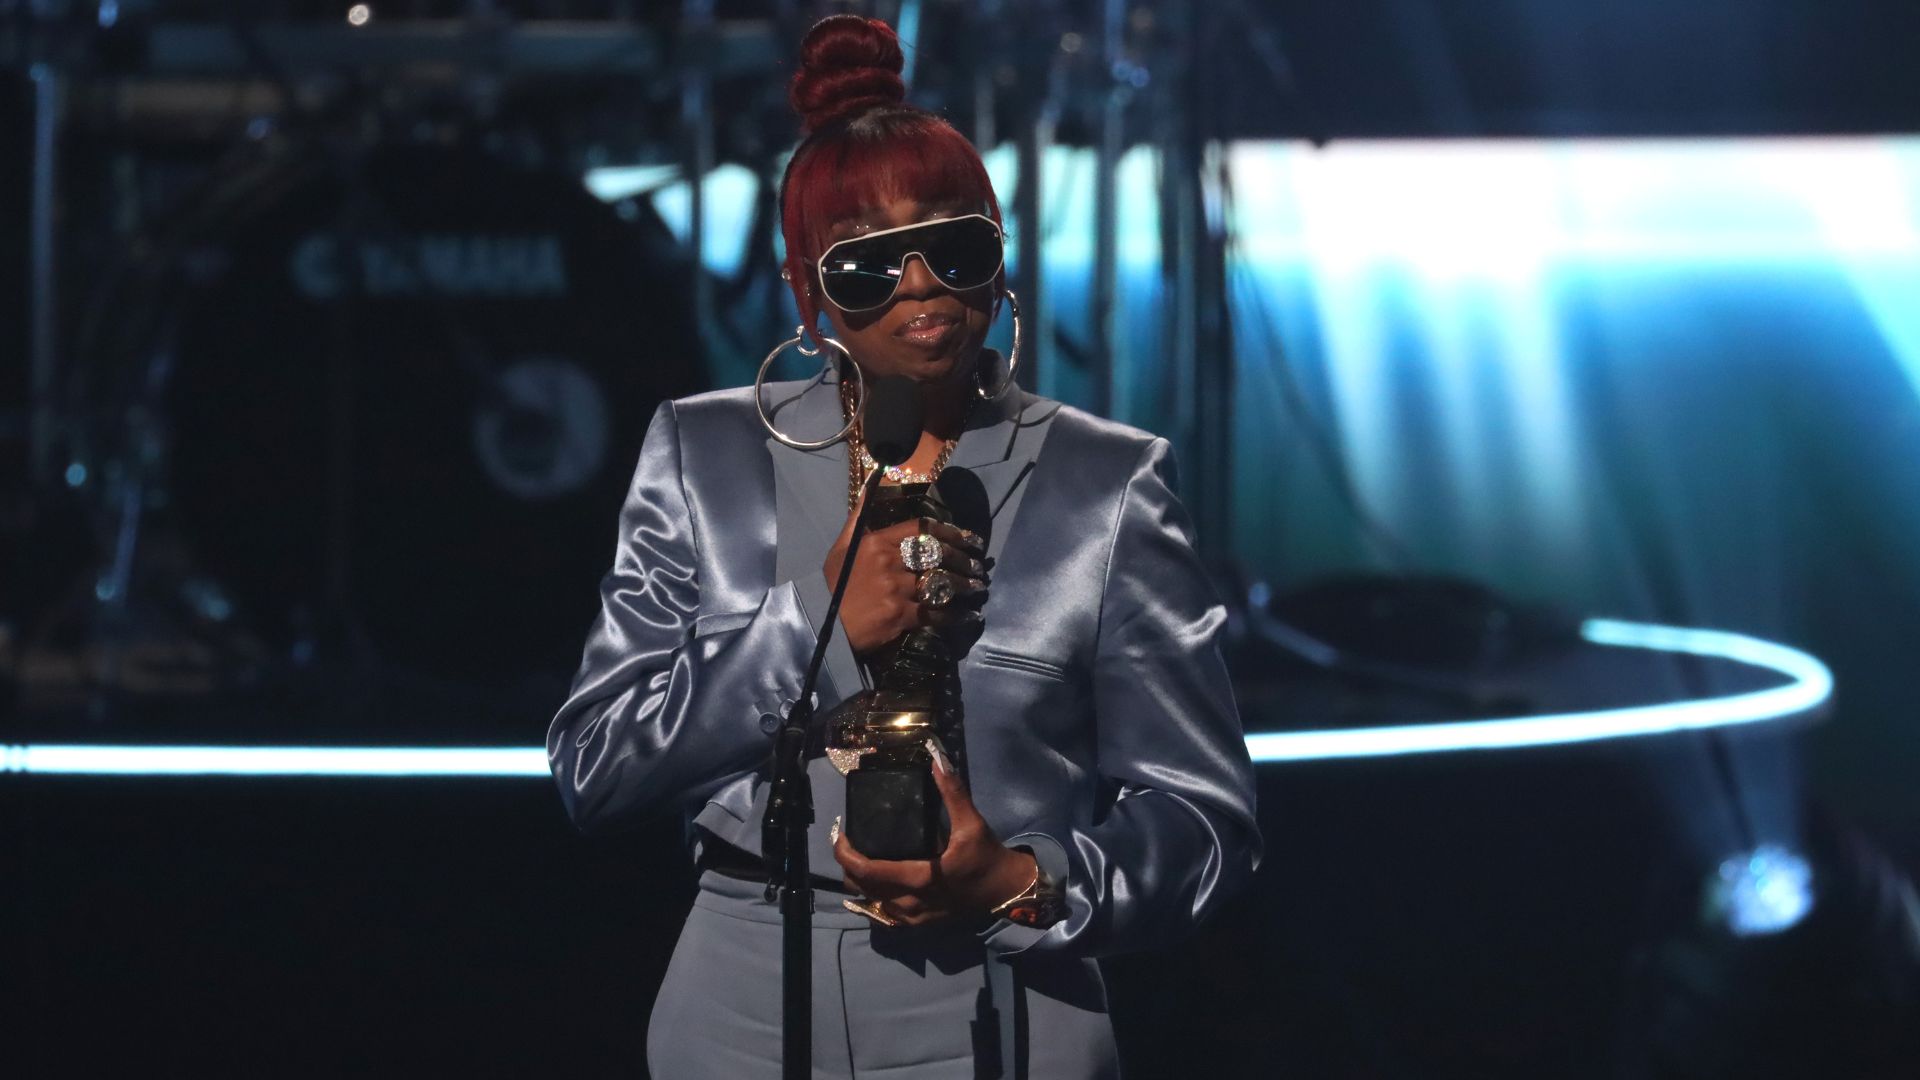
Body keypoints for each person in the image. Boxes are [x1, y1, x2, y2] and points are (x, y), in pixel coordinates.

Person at [548, 15, 1259, 1078]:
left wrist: (1023, 881)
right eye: (870, 266)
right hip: (743, 986)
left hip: (1007, 990)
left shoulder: (1107, 483)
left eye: (954, 246)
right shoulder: (704, 454)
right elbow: (594, 767)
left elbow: (1206, 825)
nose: (921, 284)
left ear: (999, 260)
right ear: (808, 293)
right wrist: (809, 628)